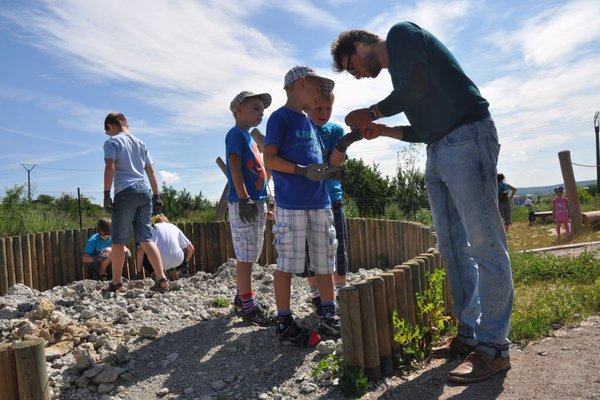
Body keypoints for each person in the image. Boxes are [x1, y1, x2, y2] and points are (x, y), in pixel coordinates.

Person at [331, 22, 514, 382]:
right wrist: (383, 130)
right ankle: (469, 335)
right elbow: (423, 129)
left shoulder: (401, 35)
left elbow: (418, 86)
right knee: (452, 246)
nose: (359, 75)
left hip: (468, 137)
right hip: (439, 149)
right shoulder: (401, 78)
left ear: (362, 43)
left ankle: (494, 349)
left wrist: (373, 112)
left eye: (353, 67)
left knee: (485, 243)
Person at [263, 66, 345, 347]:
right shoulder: (280, 118)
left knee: (325, 259)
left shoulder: (310, 123)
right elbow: (270, 159)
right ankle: (284, 320)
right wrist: (301, 171)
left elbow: (317, 161)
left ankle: (329, 314)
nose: (320, 95)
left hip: (320, 201)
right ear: (300, 85)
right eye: (316, 88)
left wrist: (324, 171)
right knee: (287, 262)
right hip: (292, 204)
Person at [300, 91, 362, 318]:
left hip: (331, 197)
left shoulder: (334, 130)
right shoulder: (300, 131)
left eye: (328, 109)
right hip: (305, 201)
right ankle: (316, 294)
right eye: (318, 109)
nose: (323, 114)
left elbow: (335, 163)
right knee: (310, 248)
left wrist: (344, 143)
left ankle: (341, 290)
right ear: (306, 107)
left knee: (338, 245)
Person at [103, 112, 170, 294]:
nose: (108, 134)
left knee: (118, 240)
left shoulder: (112, 142)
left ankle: (116, 282)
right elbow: (151, 172)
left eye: (107, 131)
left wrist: (106, 193)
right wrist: (156, 195)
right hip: (144, 191)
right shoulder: (141, 143)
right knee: (146, 239)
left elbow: (110, 166)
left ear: (111, 126)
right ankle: (161, 278)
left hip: (125, 192)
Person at [226, 90, 277, 326]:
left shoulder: (248, 139)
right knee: (245, 257)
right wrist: (244, 197)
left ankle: (241, 296)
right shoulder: (235, 135)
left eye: (262, 109)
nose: (261, 112)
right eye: (255, 108)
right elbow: (235, 167)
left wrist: (266, 198)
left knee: (251, 253)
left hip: (256, 202)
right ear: (239, 109)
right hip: (244, 202)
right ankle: (248, 305)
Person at [135, 213, 195, 280]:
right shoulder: (173, 227)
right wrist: (184, 263)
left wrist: (139, 272)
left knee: (144, 248)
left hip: (157, 262)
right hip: (177, 261)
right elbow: (191, 249)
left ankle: (155, 273)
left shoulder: (150, 228)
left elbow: (140, 249)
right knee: (182, 247)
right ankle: (175, 271)